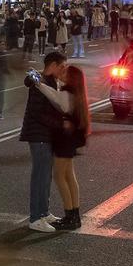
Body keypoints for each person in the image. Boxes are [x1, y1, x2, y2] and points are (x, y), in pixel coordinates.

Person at [32, 64, 90, 230]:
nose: (62, 73)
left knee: (59, 177)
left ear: (71, 78)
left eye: (65, 72)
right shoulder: (77, 94)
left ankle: (69, 215)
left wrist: (38, 83)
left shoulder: (66, 93)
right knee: (70, 177)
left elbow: (54, 97)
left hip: (64, 141)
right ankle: (75, 216)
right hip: (71, 140)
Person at [20, 51, 69, 233]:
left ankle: (44, 212)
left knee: (45, 175)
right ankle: (35, 217)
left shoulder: (47, 81)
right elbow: (37, 113)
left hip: (45, 135)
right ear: (54, 65)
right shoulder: (39, 83)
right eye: (62, 66)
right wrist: (59, 124)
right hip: (38, 135)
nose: (64, 70)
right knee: (40, 176)